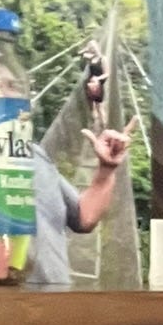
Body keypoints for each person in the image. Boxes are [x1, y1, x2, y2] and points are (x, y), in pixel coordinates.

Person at [26, 119, 137, 289]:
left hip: (56, 295)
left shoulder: (34, 154)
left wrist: (106, 169)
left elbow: (84, 217)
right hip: (3, 298)